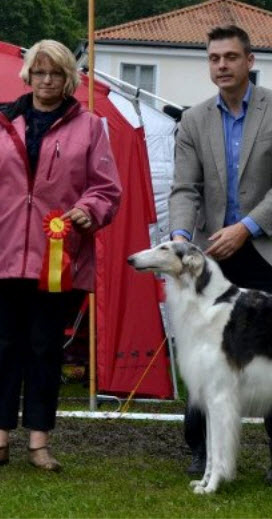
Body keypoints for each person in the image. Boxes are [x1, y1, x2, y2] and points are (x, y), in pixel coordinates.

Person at [169, 25, 272, 484]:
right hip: (214, 255)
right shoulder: (193, 120)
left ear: (249, 61)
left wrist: (246, 227)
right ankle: (200, 450)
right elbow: (184, 189)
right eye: (214, 58)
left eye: (231, 57)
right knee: (202, 355)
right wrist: (178, 239)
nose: (222, 66)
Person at [0, 40, 121, 471]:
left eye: (55, 73)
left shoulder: (89, 126)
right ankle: (0, 437)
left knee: (43, 348)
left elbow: (106, 188)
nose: (46, 80)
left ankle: (39, 442)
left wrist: (88, 210)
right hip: (4, 255)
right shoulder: (2, 120)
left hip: (59, 260)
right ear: (28, 75)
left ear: (69, 78)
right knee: (3, 345)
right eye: (39, 72)